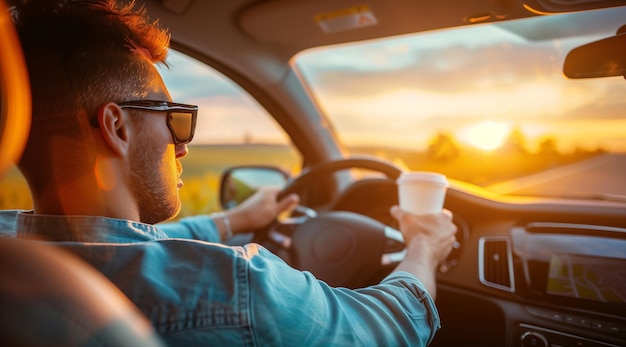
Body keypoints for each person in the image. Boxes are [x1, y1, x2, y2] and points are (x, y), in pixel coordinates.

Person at [3, 0, 457, 345]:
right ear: (116, 127)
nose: (183, 145)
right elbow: (384, 328)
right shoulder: (236, 287)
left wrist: (235, 220)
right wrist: (424, 246)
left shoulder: (11, 254)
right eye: (174, 118)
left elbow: (131, 244)